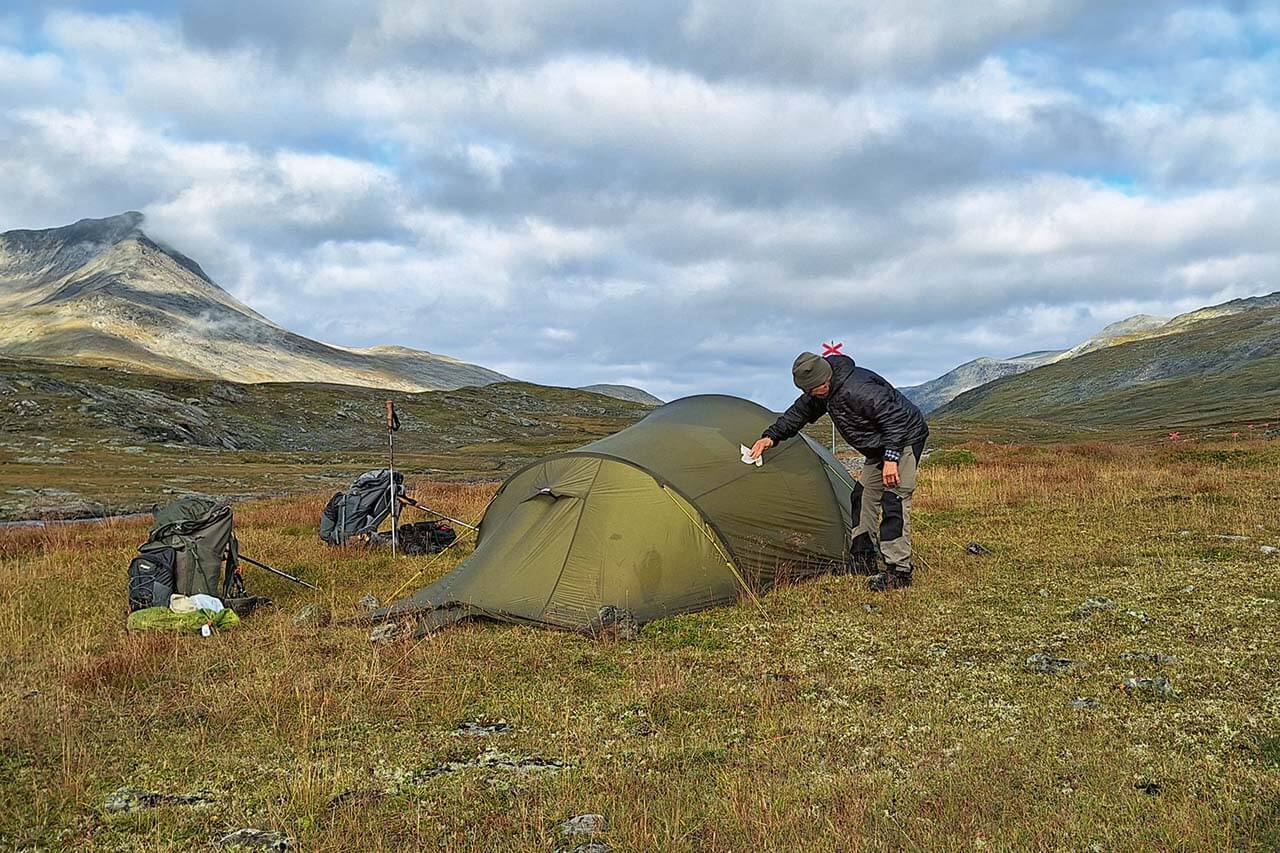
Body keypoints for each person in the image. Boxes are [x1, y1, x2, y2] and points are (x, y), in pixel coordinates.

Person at [750, 351, 929, 591]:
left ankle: (899, 572)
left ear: (826, 381)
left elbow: (894, 419)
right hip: (879, 447)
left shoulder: (858, 389)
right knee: (862, 496)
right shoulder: (820, 389)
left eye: (814, 391)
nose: (812, 396)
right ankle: (864, 559)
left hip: (903, 439)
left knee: (893, 498)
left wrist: (891, 458)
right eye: (808, 392)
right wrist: (770, 437)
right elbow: (798, 414)